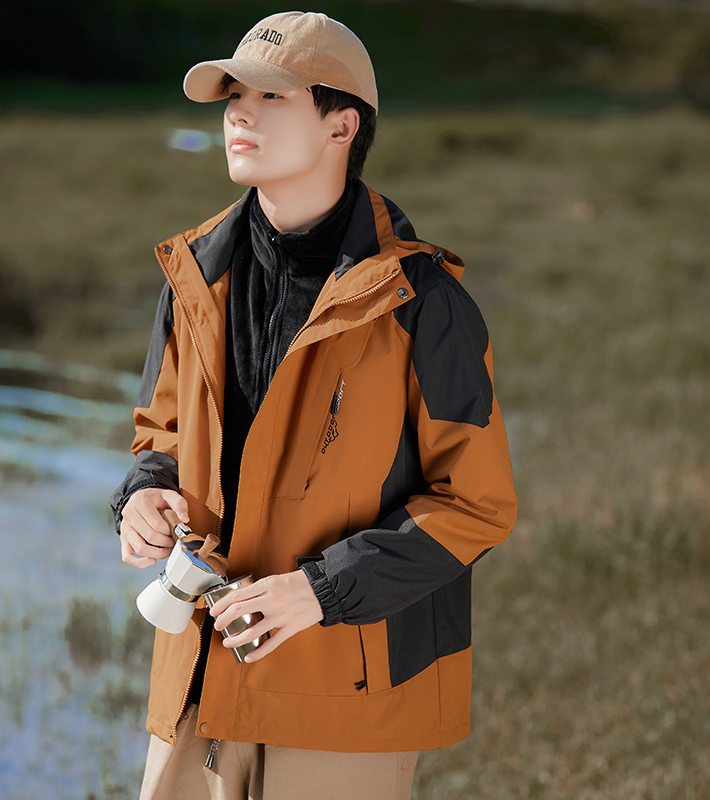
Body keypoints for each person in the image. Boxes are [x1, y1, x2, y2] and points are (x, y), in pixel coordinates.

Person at [111, 11, 517, 800]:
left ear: (341, 126)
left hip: (346, 701)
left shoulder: (423, 302)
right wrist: (143, 495)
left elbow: (477, 503)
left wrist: (321, 590)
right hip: (198, 677)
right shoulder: (192, 275)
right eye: (233, 95)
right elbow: (160, 433)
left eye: (270, 96)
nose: (240, 112)